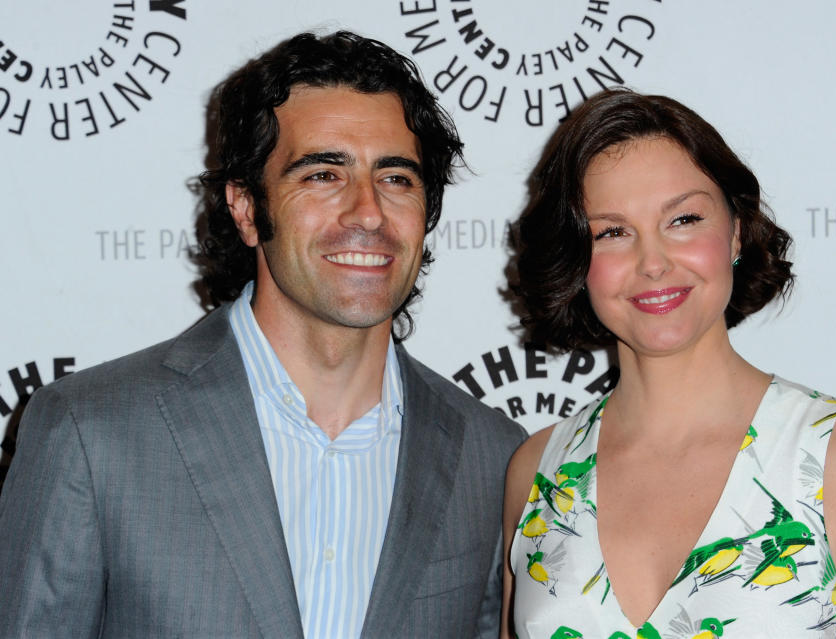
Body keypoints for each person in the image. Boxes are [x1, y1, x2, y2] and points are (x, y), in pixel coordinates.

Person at [0, 31, 525, 638]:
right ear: (247, 208)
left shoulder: (491, 456)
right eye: (324, 174)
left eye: (397, 178)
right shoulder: (91, 433)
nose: (368, 212)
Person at [501, 88, 836, 638]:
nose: (653, 263)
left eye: (684, 219)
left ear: (736, 231)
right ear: (576, 261)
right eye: (612, 232)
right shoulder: (539, 474)